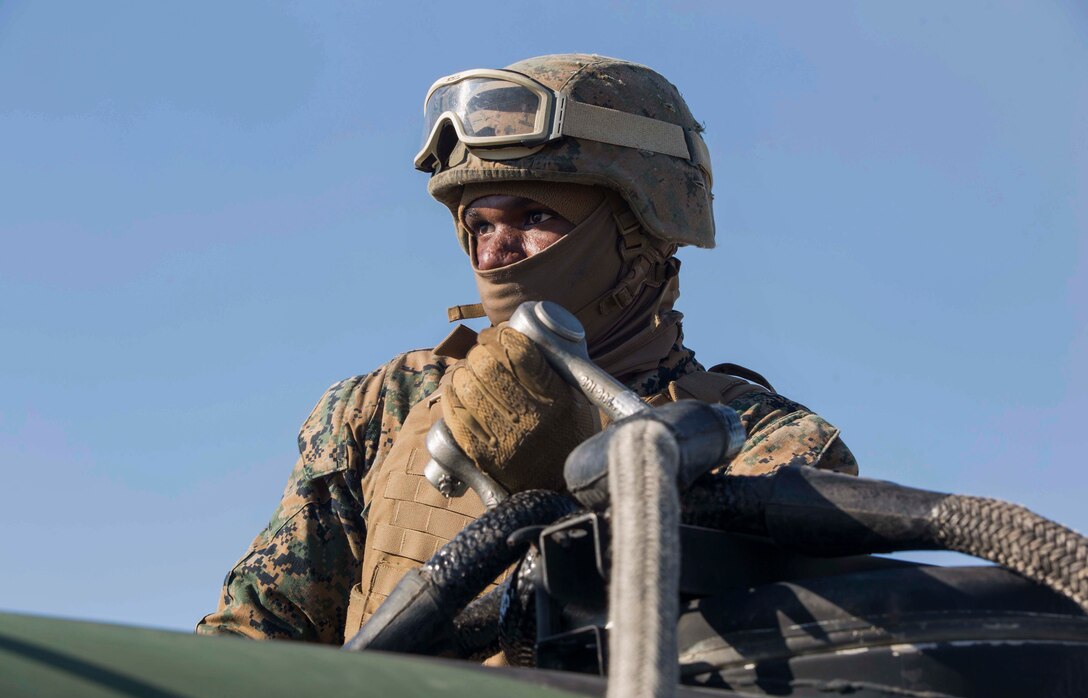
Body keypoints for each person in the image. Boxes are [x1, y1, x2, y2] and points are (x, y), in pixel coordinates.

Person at [197, 54, 858, 644]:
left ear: (641, 229)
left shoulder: (767, 445)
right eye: (480, 224)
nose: (494, 254)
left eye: (535, 217)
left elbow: (771, 673)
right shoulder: (383, 408)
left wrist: (565, 494)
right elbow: (251, 646)